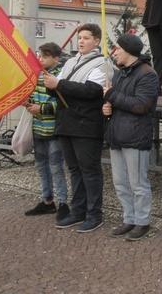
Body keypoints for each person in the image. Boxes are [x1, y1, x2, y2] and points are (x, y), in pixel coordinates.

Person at [44, 23, 113, 233]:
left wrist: (59, 85)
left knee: (89, 170)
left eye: (86, 38)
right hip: (66, 122)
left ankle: (94, 214)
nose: (81, 41)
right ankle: (78, 210)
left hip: (86, 124)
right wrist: (53, 88)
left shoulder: (103, 64)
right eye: (79, 37)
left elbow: (91, 91)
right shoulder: (71, 61)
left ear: (97, 41)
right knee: (74, 170)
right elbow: (62, 89)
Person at [102, 33, 160, 241]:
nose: (114, 52)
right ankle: (129, 217)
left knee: (138, 184)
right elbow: (118, 102)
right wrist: (108, 108)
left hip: (135, 136)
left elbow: (141, 105)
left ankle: (142, 221)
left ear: (128, 50)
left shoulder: (147, 74)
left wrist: (111, 96)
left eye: (117, 48)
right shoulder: (119, 74)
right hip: (117, 134)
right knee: (120, 182)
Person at [23, 42, 69, 222]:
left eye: (44, 57)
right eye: (39, 56)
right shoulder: (36, 76)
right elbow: (33, 96)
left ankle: (63, 202)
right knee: (41, 166)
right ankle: (47, 200)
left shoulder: (61, 77)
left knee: (56, 166)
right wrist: (27, 102)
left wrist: (40, 109)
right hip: (38, 128)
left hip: (54, 130)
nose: (40, 59)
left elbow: (63, 103)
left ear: (55, 59)